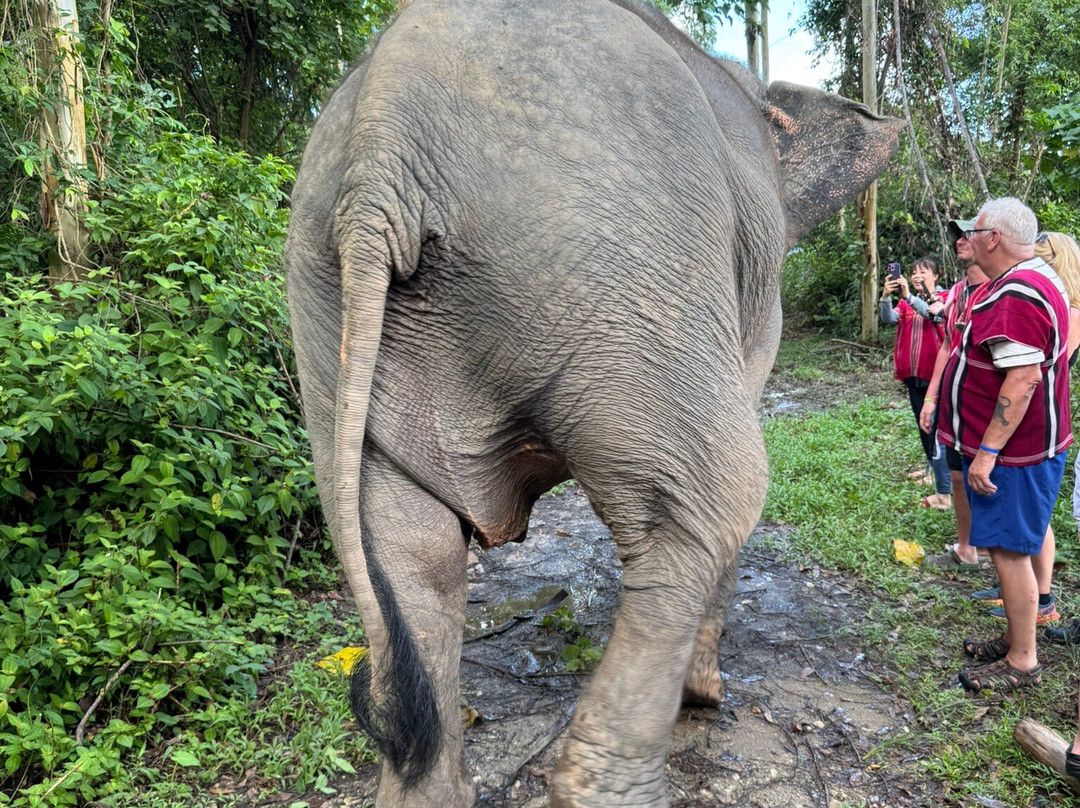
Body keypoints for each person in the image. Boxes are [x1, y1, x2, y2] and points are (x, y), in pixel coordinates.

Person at [936, 198, 1071, 693]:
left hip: (1016, 452)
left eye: (973, 231)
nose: (966, 239)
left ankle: (1022, 658)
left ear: (993, 238)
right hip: (1030, 445)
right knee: (1008, 546)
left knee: (1009, 552)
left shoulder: (1015, 294)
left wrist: (989, 450)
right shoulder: (1034, 278)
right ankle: (1017, 638)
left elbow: (1023, 379)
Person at [919, 221, 990, 569]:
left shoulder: (1000, 289)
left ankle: (997, 547)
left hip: (989, 404)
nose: (959, 241)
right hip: (955, 402)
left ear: (991, 241)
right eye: (956, 237)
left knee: (992, 476)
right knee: (959, 476)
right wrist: (932, 397)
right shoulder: (959, 292)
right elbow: (947, 344)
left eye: (967, 235)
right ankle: (968, 548)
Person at [880, 257, 950, 509]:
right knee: (923, 423)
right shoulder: (905, 303)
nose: (918, 275)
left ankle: (940, 476)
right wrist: (886, 296)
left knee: (936, 424)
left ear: (936, 276)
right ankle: (930, 467)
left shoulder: (944, 297)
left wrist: (911, 296)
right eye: (914, 272)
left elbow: (933, 315)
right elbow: (888, 318)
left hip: (936, 375)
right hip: (912, 373)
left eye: (924, 271)